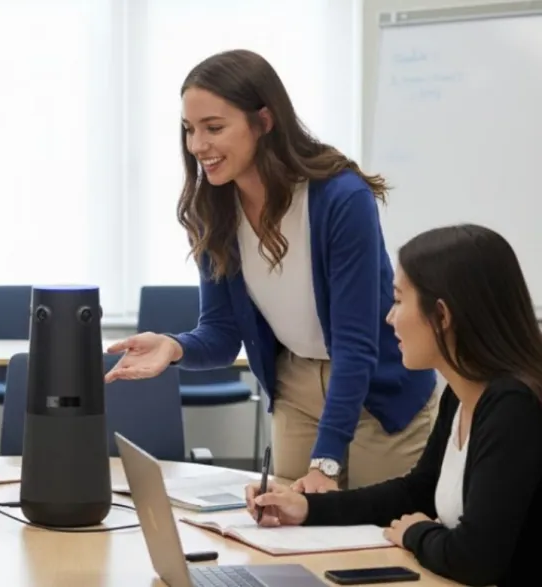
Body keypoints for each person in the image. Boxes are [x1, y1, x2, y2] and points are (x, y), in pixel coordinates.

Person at [105, 49, 437, 492]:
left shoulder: (340, 198)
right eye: (189, 130)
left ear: (264, 121)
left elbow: (357, 345)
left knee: (382, 540)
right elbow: (222, 336)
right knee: (297, 538)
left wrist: (327, 461)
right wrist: (174, 346)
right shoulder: (213, 210)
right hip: (296, 390)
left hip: (378, 391)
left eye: (214, 128)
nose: (197, 145)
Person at [243, 224, 542, 586]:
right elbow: (417, 491)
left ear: (442, 316)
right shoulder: (462, 395)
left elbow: (476, 559)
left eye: (398, 301)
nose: (389, 317)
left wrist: (416, 532)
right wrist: (307, 508)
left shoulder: (513, 406)